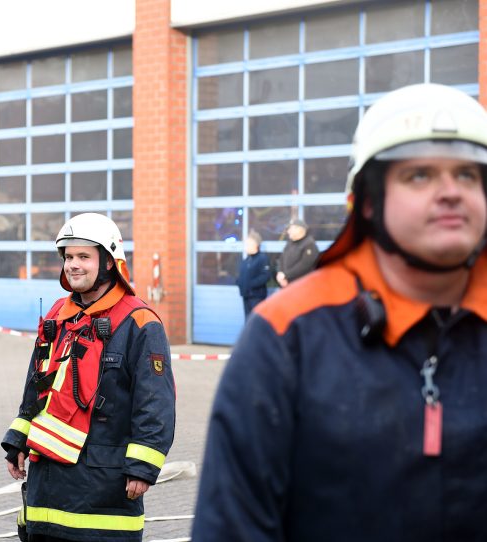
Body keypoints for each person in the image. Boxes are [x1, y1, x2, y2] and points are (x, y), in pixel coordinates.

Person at [191, 83, 487, 541]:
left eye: (468, 175)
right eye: (420, 175)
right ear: (368, 201)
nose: (451, 192)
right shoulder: (287, 334)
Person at [1, 213, 176, 542]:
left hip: (104, 483)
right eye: (68, 257)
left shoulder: (139, 322)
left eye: (83, 256)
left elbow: (155, 402)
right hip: (47, 485)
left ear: (109, 263)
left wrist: (143, 465)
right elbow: (37, 384)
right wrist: (18, 439)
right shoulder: (57, 314)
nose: (73, 265)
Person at [235, 229, 270, 319]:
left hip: (256, 297)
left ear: (255, 245)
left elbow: (265, 276)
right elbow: (242, 275)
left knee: (255, 321)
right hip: (246, 295)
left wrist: (251, 285)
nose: (245, 247)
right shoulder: (247, 259)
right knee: (248, 321)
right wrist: (239, 282)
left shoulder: (262, 258)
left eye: (248, 244)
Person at [275, 218, 319, 288]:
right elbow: (281, 258)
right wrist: (280, 274)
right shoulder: (290, 242)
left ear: (300, 229)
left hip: (302, 286)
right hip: (286, 283)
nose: (288, 231)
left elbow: (304, 265)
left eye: (291, 229)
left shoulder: (309, 244)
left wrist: (286, 275)